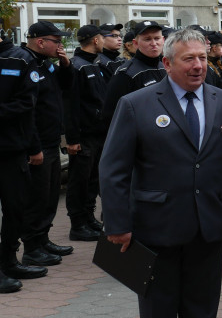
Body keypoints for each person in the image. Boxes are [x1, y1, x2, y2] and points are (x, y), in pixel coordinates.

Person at [100, 28, 222, 318]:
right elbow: (114, 169)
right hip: (155, 226)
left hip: (207, 225)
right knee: (158, 311)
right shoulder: (136, 103)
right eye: (188, 59)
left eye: (202, 57)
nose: (199, 65)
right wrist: (118, 223)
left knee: (202, 308)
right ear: (167, 63)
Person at [10, 22, 76, 259]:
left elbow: (65, 88)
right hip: (35, 143)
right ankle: (32, 248)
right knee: (36, 199)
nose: (61, 45)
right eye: (57, 41)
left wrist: (65, 65)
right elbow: (27, 111)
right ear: (40, 42)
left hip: (50, 141)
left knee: (49, 197)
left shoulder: (46, 64)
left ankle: (43, 239)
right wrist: (33, 146)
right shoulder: (25, 62)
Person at [63, 25, 113, 241]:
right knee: (79, 181)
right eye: (103, 37)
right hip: (84, 135)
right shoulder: (77, 66)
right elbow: (71, 106)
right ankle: (77, 224)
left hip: (98, 133)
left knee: (93, 179)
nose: (105, 41)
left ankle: (88, 217)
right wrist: (72, 139)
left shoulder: (96, 64)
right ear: (95, 40)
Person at [0, 31, 41, 292]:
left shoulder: (20, 59)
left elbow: (27, 102)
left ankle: (8, 261)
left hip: (10, 149)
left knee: (15, 208)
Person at [101, 20, 167, 127]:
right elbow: (111, 115)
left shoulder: (165, 67)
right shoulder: (126, 73)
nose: (154, 43)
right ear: (135, 43)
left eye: (157, 38)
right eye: (147, 39)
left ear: (163, 40)